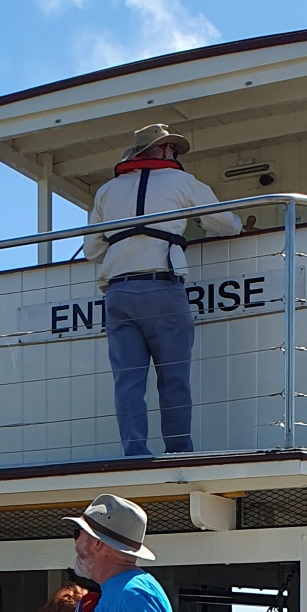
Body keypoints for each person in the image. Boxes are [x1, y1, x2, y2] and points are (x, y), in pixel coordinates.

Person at [85, 124, 241, 458]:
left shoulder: (107, 191)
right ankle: (179, 453)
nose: (175, 156)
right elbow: (226, 223)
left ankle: (135, 454)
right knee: (174, 381)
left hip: (118, 293)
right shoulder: (182, 182)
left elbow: (91, 250)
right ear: (162, 151)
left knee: (128, 384)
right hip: (163, 288)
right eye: (173, 150)